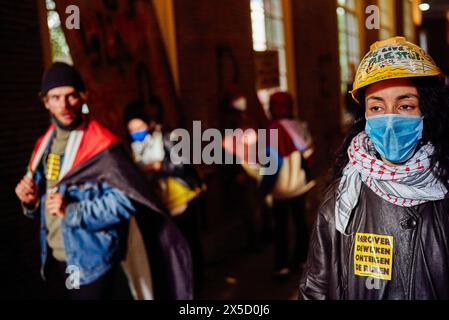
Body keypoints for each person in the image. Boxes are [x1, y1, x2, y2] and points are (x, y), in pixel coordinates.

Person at [15, 62, 192, 300]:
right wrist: (31, 201)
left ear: (83, 97)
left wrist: (73, 210)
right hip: (56, 253)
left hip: (90, 259)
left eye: (71, 96)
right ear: (45, 101)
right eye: (55, 97)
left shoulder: (102, 146)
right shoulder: (43, 146)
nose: (64, 105)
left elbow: (126, 201)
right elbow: (45, 204)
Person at [299, 37, 449, 300]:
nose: (389, 120)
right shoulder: (341, 199)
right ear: (364, 117)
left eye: (405, 105)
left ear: (427, 111)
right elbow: (315, 290)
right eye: (377, 107)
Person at [124, 100, 205, 297]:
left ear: (150, 124)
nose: (136, 132)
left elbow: (183, 165)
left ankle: (195, 287)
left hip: (182, 198)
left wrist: (160, 167)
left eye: (140, 127)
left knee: (189, 244)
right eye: (132, 129)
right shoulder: (132, 149)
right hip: (160, 205)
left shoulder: (168, 138)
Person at [260, 91, 316, 279]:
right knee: (301, 223)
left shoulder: (271, 130)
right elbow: (309, 155)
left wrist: (264, 188)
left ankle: (282, 264)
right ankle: (302, 260)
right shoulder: (299, 126)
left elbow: (271, 164)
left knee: (281, 227)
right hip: (300, 185)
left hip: (280, 189)